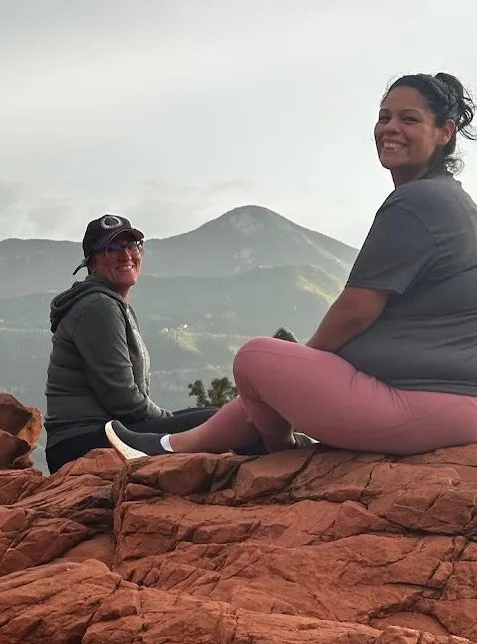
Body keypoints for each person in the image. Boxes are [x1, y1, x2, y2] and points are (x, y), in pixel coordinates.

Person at [106, 71, 477, 461]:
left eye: (409, 119)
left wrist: (305, 364)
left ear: (445, 131)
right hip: (433, 398)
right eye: (384, 117)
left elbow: (355, 310)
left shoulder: (420, 202)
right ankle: (173, 446)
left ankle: (275, 448)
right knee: (274, 364)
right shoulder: (449, 200)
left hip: (426, 401)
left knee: (257, 359)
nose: (390, 128)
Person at [43, 214, 223, 473]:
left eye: (133, 244)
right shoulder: (98, 307)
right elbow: (122, 399)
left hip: (100, 432)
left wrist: (169, 421)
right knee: (214, 421)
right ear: (92, 263)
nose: (125, 254)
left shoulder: (110, 303)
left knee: (213, 417)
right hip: (83, 441)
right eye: (112, 248)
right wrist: (168, 420)